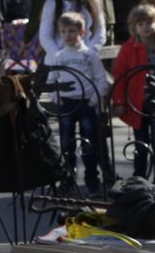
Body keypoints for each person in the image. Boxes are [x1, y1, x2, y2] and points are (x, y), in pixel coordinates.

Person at [110, 3, 155, 182]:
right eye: (140, 24)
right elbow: (120, 75)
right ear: (133, 27)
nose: (145, 27)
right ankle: (139, 178)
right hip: (137, 102)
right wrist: (119, 101)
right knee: (140, 143)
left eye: (149, 22)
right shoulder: (128, 48)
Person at [45, 11, 111, 195]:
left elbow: (100, 78)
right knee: (67, 143)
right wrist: (55, 96)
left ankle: (92, 178)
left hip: (86, 102)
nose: (68, 35)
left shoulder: (89, 55)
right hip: (66, 102)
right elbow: (52, 79)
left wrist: (95, 97)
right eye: (64, 31)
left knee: (89, 142)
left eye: (72, 31)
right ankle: (68, 177)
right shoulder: (58, 56)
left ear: (82, 32)